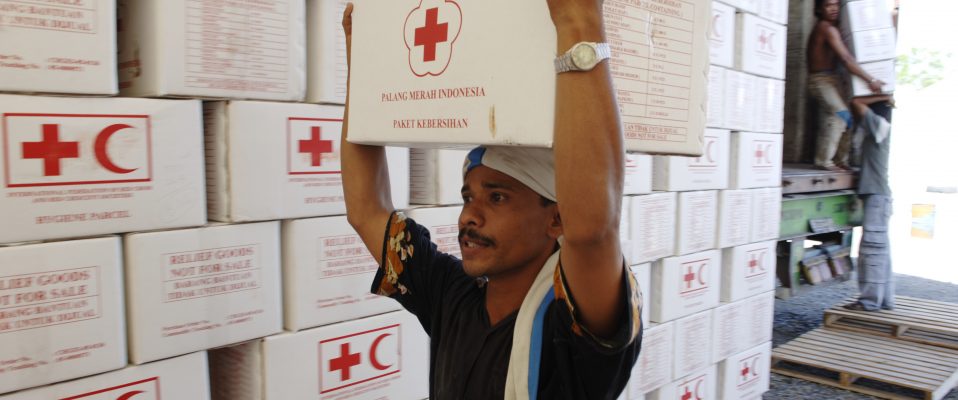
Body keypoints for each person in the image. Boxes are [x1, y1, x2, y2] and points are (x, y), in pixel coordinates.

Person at [339, 2, 642, 399]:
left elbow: (593, 231)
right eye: (468, 196)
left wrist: (578, 22)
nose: (469, 216)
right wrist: (362, 64)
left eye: (497, 197)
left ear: (556, 218)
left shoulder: (571, 325)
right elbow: (366, 210)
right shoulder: (451, 294)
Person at [807, 0, 884, 171]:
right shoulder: (826, 28)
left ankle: (841, 160)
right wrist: (870, 80)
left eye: (836, 5)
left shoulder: (836, 29)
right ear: (820, 9)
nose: (833, 9)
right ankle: (823, 160)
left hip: (833, 79)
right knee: (839, 115)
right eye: (828, 5)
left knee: (848, 116)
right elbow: (846, 59)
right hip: (820, 80)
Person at [844, 95, 895, 311]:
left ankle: (869, 302)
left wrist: (884, 95)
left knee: (871, 252)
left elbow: (856, 103)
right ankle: (884, 300)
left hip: (876, 198)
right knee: (881, 252)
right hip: (878, 198)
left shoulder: (879, 125)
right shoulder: (877, 130)